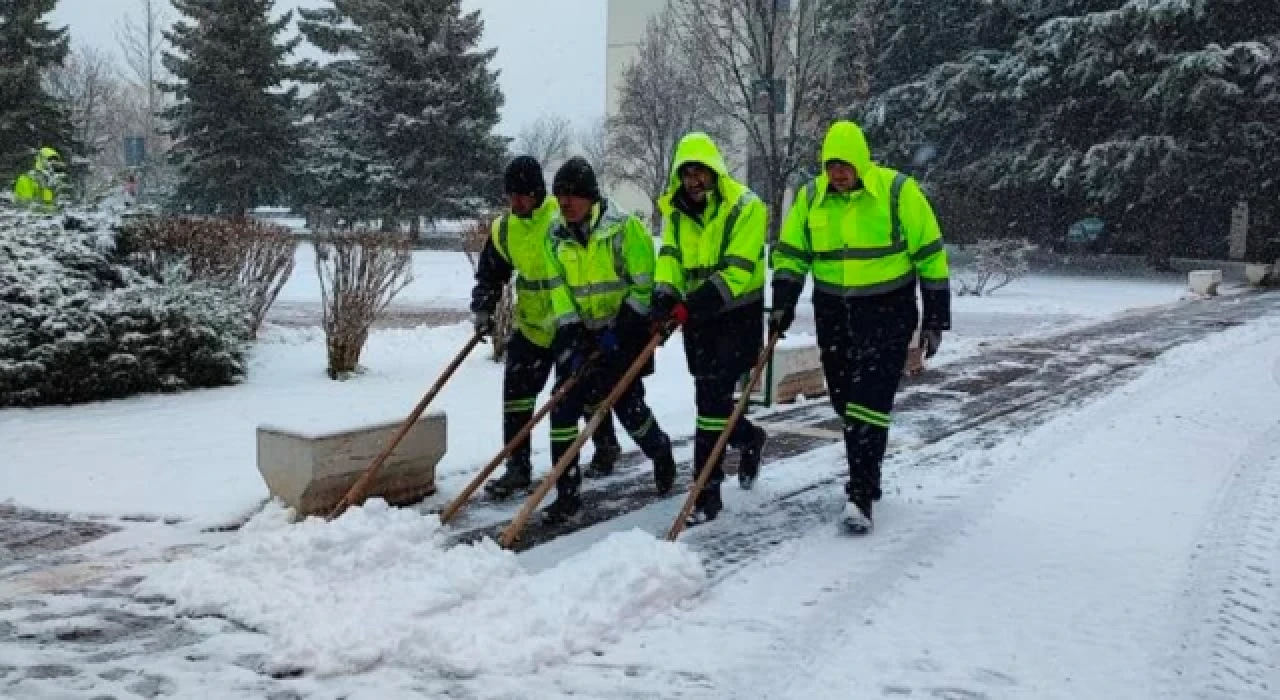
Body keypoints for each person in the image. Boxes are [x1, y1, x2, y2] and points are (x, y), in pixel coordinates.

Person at [769, 120, 950, 535]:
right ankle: (868, 472)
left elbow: (930, 253)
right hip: (835, 313)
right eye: (831, 165)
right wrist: (782, 304)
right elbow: (792, 255)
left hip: (888, 311)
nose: (838, 174)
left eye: (845, 165)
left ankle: (861, 492)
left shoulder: (897, 191)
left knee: (869, 400)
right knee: (845, 400)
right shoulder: (812, 198)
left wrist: (935, 315)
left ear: (861, 162)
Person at [470, 155, 622, 499]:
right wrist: (483, 305)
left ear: (539, 192)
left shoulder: (561, 215)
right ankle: (517, 467)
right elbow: (491, 273)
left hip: (571, 326)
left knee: (581, 397)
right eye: (510, 196)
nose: (516, 202)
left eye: (522, 195)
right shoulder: (505, 228)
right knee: (516, 399)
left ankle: (605, 444)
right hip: (532, 328)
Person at [539, 157, 678, 525]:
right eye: (559, 196)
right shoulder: (553, 238)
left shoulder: (624, 230)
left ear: (590, 197)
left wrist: (620, 331)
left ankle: (660, 451)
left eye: (571, 196)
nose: (565, 203)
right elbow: (559, 292)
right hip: (582, 335)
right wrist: (572, 337)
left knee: (628, 409)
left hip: (625, 332)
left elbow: (643, 284)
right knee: (562, 408)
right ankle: (567, 494)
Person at [650, 132, 769, 527]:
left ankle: (706, 491)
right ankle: (748, 438)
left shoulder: (746, 207)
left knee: (710, 398)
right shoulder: (677, 214)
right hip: (697, 319)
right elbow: (669, 257)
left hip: (737, 315)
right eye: (687, 174)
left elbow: (738, 268)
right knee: (712, 399)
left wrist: (692, 305)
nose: (694, 181)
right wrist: (664, 298)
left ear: (715, 171)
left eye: (701, 172)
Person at [12, 147, 65, 212]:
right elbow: (25, 205)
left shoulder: (54, 181)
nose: (53, 164)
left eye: (56, 161)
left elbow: (53, 203)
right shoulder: (25, 179)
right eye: (50, 160)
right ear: (41, 160)